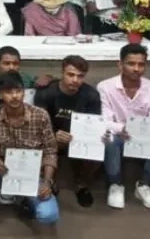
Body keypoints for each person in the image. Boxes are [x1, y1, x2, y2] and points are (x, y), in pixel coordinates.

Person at [0, 71, 59, 237]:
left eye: (18, 91)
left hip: (32, 176)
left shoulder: (40, 115)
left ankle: (26, 199)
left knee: (48, 215)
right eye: (9, 92)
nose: (15, 96)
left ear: (24, 92)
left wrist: (47, 182)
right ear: (0, 94)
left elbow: (50, 151)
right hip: (5, 173)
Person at [98, 44, 150, 210]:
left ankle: (144, 185)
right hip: (118, 135)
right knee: (109, 139)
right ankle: (115, 184)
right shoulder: (105, 87)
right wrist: (122, 129)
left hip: (144, 136)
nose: (136, 69)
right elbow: (105, 120)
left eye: (141, 64)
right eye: (131, 63)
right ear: (120, 64)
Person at [34, 55, 102, 207]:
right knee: (35, 141)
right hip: (50, 136)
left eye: (80, 76)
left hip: (77, 139)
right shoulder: (46, 92)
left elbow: (93, 125)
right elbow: (38, 123)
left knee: (100, 147)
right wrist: (53, 135)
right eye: (70, 74)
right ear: (62, 73)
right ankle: (49, 180)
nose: (75, 80)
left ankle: (81, 184)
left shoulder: (91, 95)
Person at [0, 46, 52, 142]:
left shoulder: (25, 80)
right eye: (6, 63)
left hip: (25, 128)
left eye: (15, 64)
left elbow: (45, 81)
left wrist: (49, 78)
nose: (11, 67)